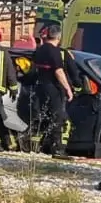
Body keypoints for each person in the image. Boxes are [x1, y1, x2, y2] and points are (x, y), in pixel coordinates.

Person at [31, 24, 74, 158]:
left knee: (43, 117)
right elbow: (59, 71)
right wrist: (68, 88)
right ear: (59, 37)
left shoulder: (40, 50)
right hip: (53, 88)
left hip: (41, 87)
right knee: (58, 117)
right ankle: (57, 149)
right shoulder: (54, 51)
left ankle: (35, 147)